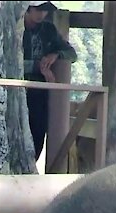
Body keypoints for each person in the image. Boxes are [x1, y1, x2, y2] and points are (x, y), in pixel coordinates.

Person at [23, 0, 77, 162]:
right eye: (38, 9)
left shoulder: (48, 30)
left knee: (39, 130)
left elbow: (71, 53)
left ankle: (31, 164)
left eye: (45, 10)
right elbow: (8, 62)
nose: (42, 14)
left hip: (39, 91)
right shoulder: (14, 28)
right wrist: (37, 66)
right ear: (27, 8)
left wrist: (56, 55)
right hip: (15, 88)